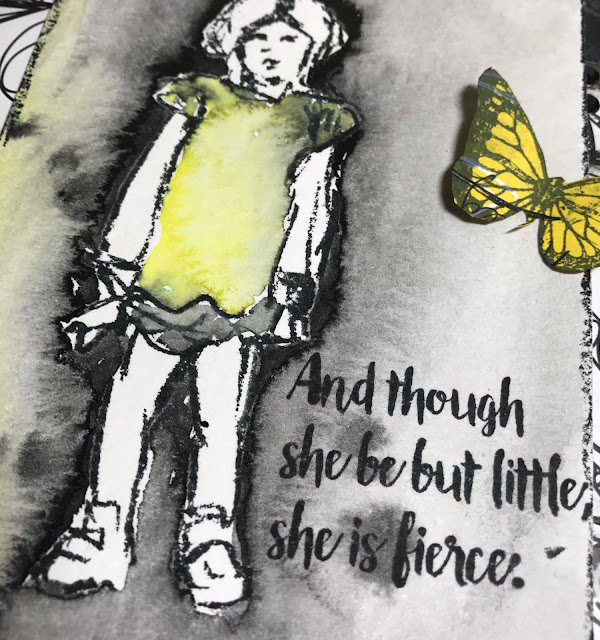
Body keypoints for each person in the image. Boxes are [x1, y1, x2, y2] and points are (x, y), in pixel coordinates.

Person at [24, 0, 360, 616]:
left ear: (310, 53)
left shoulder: (313, 122)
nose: (272, 53)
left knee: (219, 421)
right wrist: (122, 260)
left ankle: (208, 537)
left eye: (288, 42)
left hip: (244, 296)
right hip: (165, 284)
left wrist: (293, 285)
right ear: (234, 46)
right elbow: (150, 179)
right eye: (259, 40)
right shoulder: (200, 100)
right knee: (127, 406)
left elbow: (312, 208)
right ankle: (100, 530)